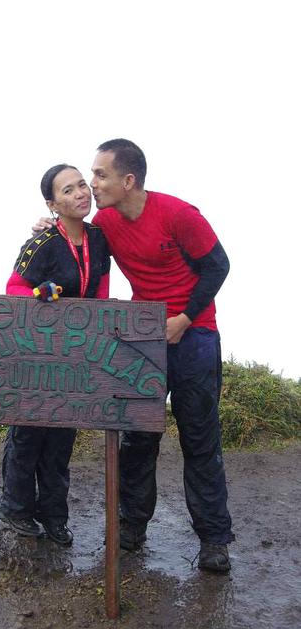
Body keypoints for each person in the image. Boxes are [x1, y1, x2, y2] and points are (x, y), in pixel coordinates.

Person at [34, 139, 234, 572]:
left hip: (195, 332)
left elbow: (219, 265)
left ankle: (215, 540)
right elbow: (72, 238)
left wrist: (183, 318)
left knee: (199, 439)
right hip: (144, 335)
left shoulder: (179, 214)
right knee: (138, 437)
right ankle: (131, 528)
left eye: (100, 175)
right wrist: (44, 227)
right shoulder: (104, 222)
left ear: (128, 180)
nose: (92, 184)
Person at [0, 164, 111, 546]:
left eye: (82, 185)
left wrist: (97, 323)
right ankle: (15, 508)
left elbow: (101, 288)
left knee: (62, 440)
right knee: (28, 435)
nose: (80, 193)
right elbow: (14, 288)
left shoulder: (99, 238)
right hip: (36, 354)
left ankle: (55, 517)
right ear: (53, 203)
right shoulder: (41, 241)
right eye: (68, 190)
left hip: (75, 356)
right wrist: (40, 295)